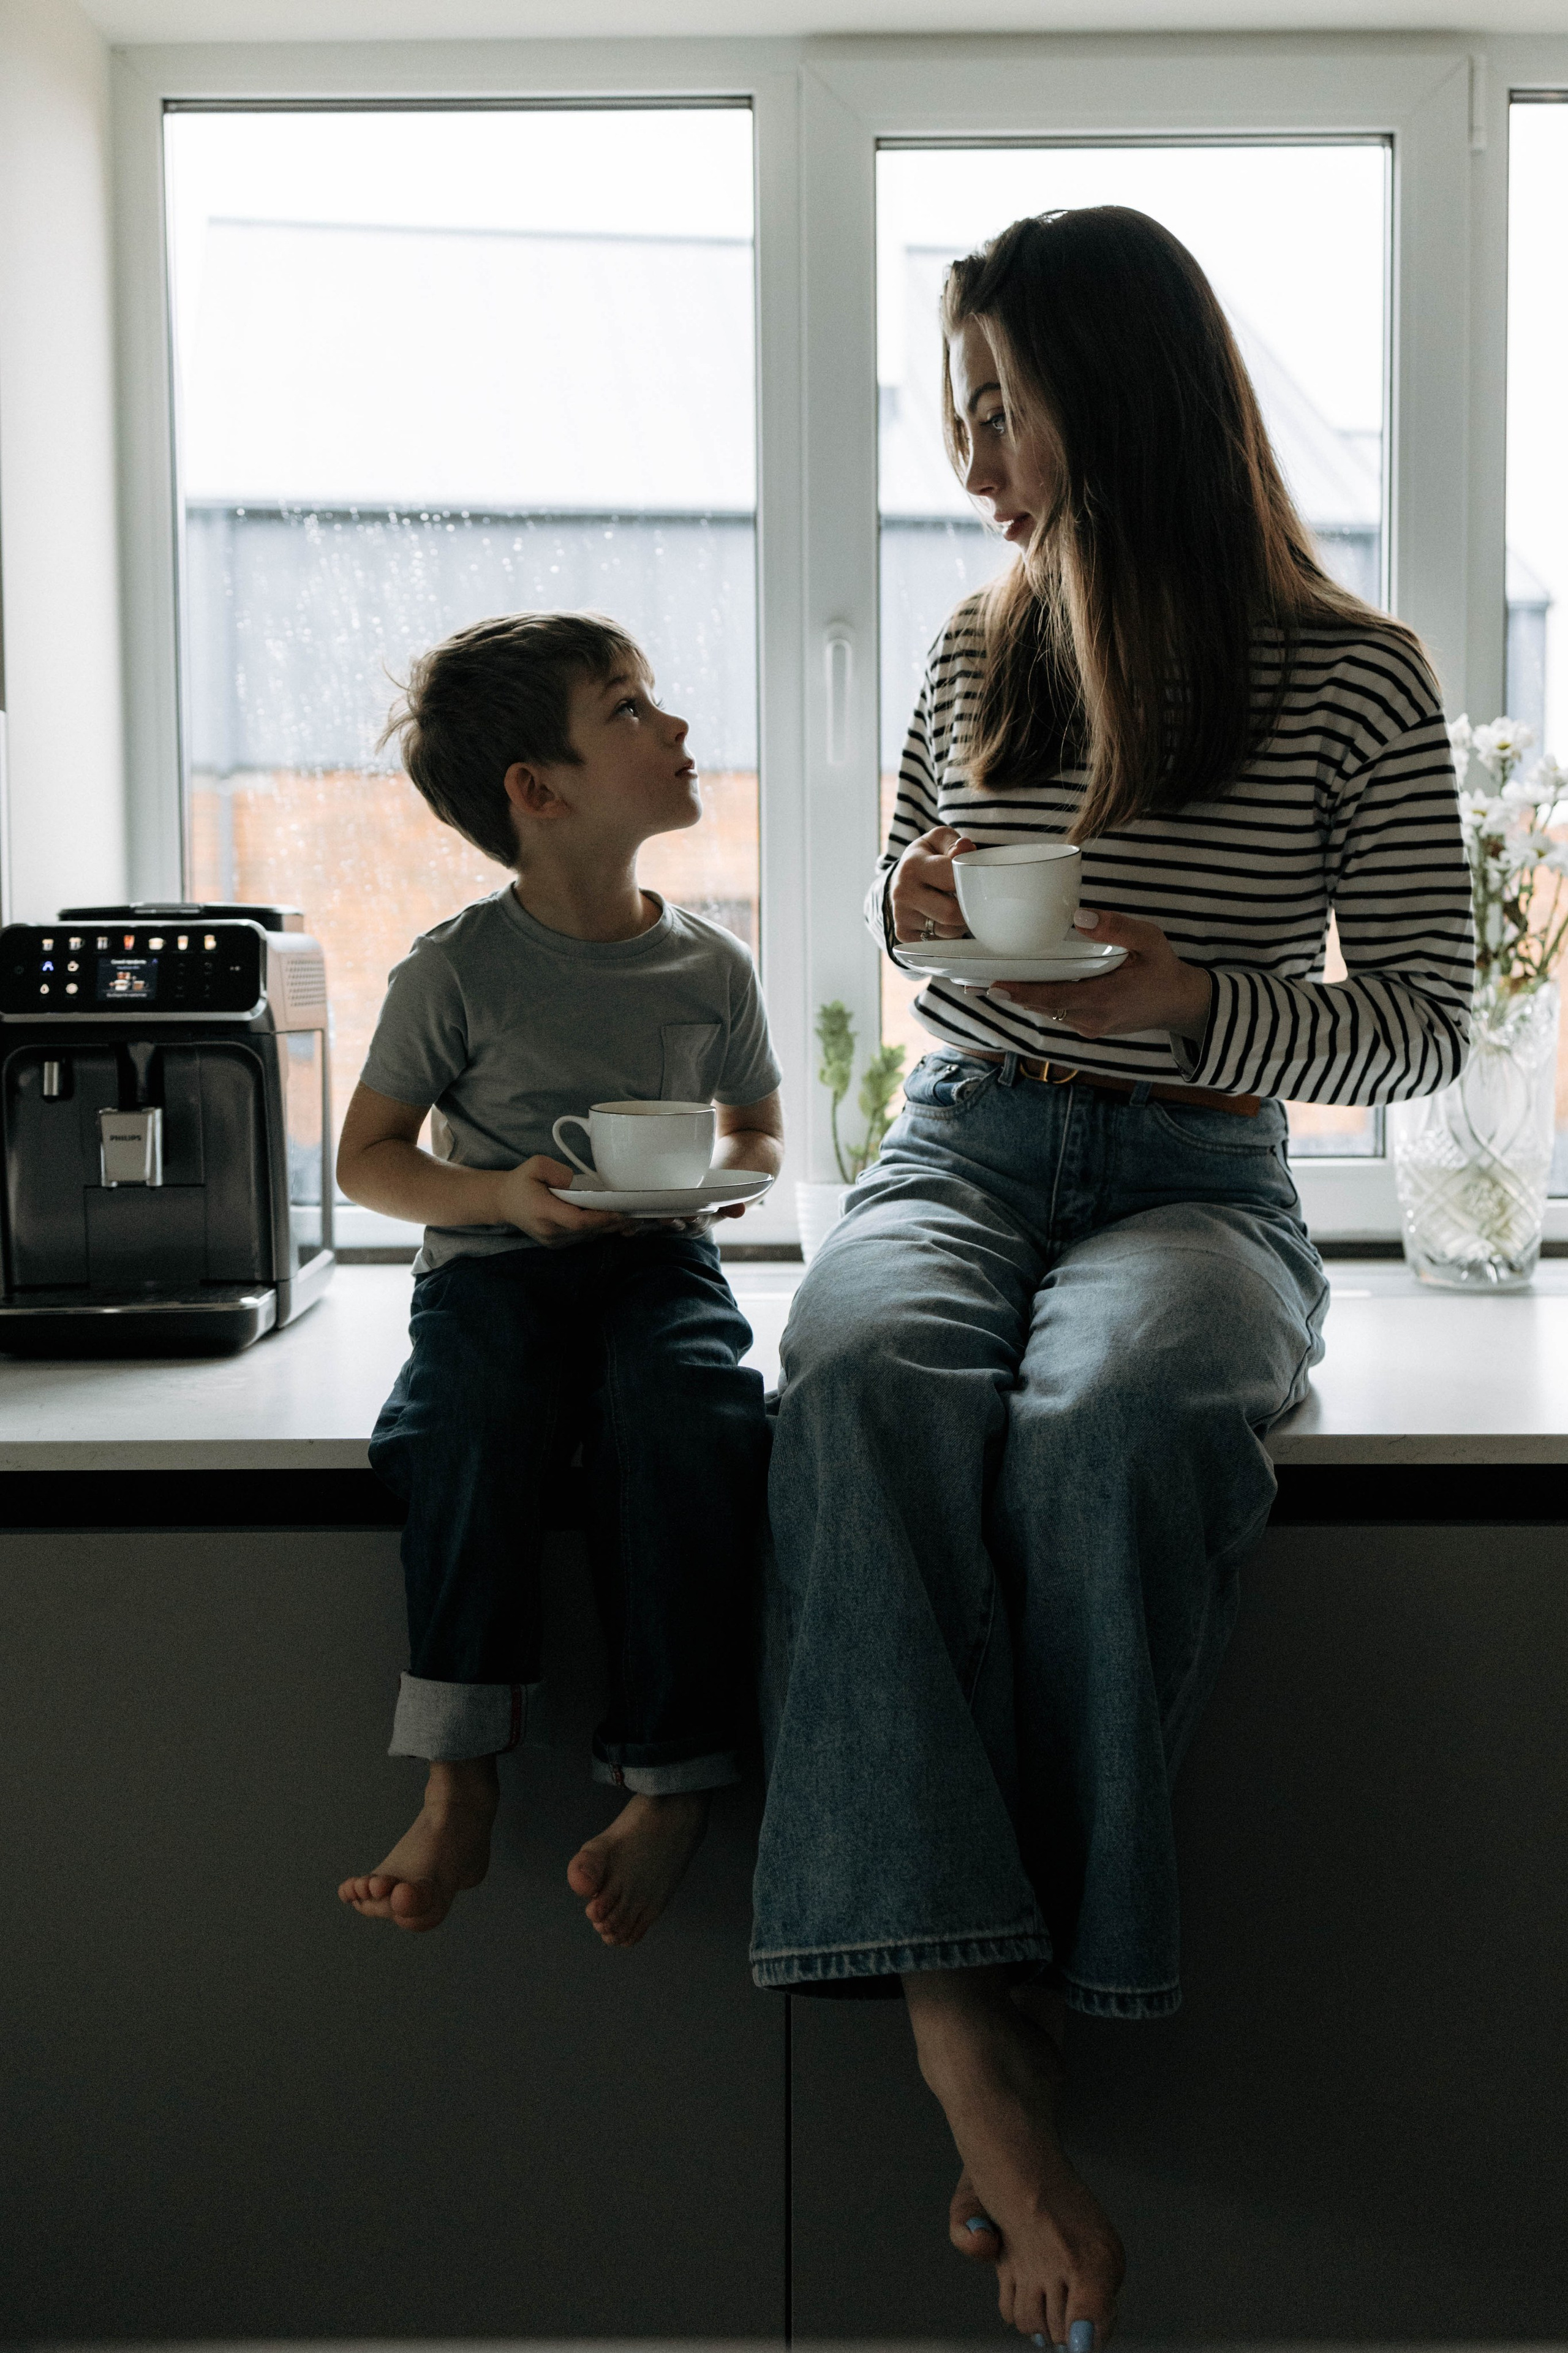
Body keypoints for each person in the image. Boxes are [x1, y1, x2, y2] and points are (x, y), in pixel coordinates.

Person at [753, 209, 1472, 2346]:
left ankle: (1030, 1991)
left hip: (1197, 1172)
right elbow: (917, 925)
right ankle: (970, 2021)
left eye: (998, 413)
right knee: (853, 1370)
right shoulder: (980, 648)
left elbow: (1427, 1021)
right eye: (955, 416)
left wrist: (1187, 1009)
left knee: (1122, 1414)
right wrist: (911, 903)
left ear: (1123, 392)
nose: (971, 463)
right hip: (968, 1140)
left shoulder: (1355, 675)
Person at [336, 611, 783, 1947]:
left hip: (658, 1265)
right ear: (539, 792)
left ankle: (672, 1779)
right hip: (491, 1271)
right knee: (464, 1419)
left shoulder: (711, 963)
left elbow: (758, 1129)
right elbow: (368, 1158)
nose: (677, 727)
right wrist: (494, 1198)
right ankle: (458, 1771)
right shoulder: (455, 969)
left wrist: (722, 1173)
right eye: (631, 710)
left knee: (694, 1420)